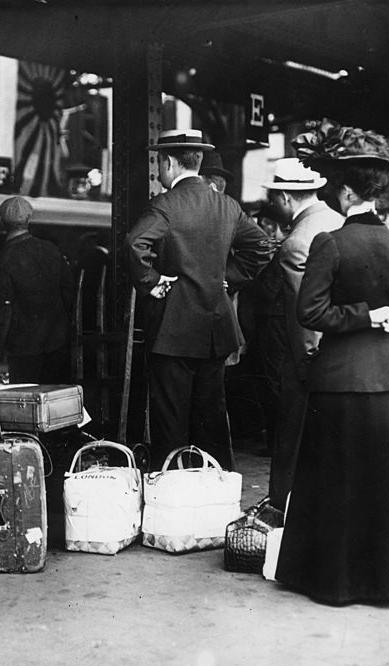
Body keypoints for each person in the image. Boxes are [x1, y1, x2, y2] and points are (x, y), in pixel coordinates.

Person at [275, 121, 389, 605]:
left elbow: (309, 312)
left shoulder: (330, 243)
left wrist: (357, 314)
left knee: (338, 481)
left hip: (340, 381)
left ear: (349, 192)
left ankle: (336, 579)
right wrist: (382, 319)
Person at [128, 129, 273, 469]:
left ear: (168, 162)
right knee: (211, 418)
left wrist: (151, 281)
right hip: (215, 330)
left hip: (172, 332)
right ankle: (215, 492)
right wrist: (228, 278)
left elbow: (135, 243)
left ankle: (173, 494)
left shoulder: (164, 205)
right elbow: (261, 247)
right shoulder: (226, 205)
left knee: (170, 420)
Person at [262, 158, 345, 509]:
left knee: (294, 441)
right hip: (345, 354)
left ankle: (284, 512)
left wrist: (307, 364)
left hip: (312, 361)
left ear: (284, 196)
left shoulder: (296, 242)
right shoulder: (340, 222)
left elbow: (304, 318)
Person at [0, 196, 74, 384]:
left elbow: (1, 310)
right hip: (57, 342)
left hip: (21, 348)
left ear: (2, 222)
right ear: (29, 219)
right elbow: (69, 294)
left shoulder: (2, 260)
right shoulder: (51, 250)